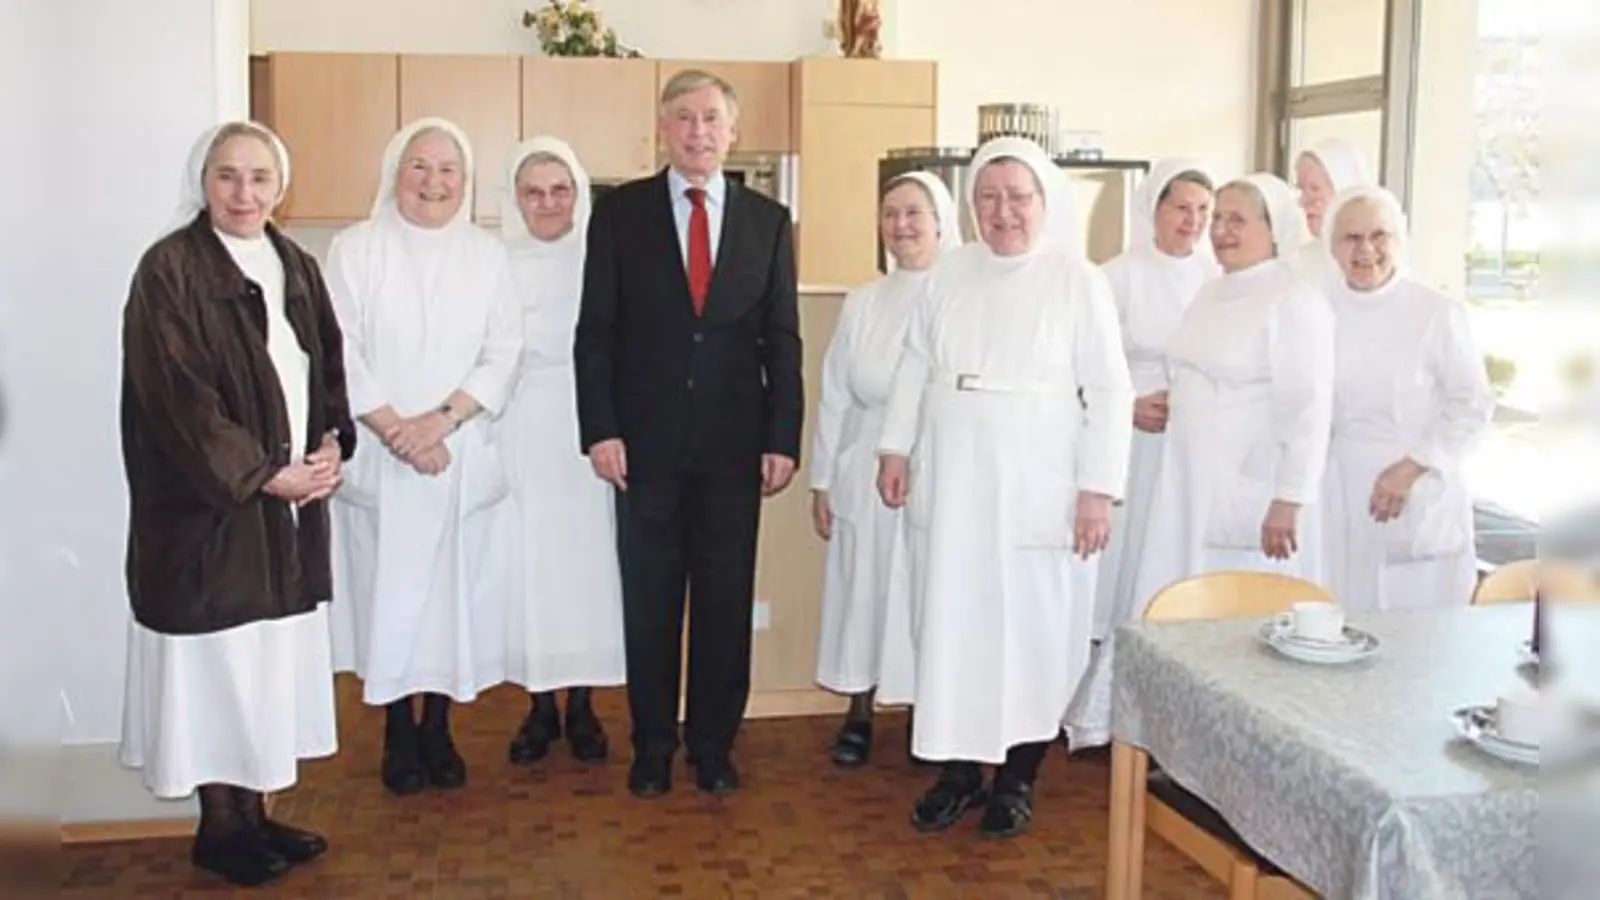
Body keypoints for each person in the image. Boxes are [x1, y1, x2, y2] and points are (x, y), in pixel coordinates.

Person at [875, 136, 1134, 837]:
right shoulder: (948, 273)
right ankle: (958, 773)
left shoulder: (1078, 279)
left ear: (1043, 201)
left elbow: (1110, 390)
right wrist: (894, 447)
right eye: (988, 197)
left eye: (1018, 196)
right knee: (951, 624)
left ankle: (1018, 777)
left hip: (1038, 480)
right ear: (970, 204)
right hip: (951, 479)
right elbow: (913, 367)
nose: (1003, 211)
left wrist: (1096, 490)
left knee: (1029, 633)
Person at [118, 120, 353, 886]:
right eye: (227, 176)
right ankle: (219, 827)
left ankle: (254, 813)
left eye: (258, 178)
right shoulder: (169, 271)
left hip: (284, 503)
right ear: (203, 182)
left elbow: (326, 369)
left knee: (264, 665)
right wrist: (260, 474)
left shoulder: (295, 265)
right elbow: (180, 404)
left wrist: (330, 443)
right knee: (218, 664)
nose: (243, 193)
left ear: (280, 186)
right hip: (208, 515)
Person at [573, 69, 803, 798]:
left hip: (736, 450)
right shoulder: (620, 215)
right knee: (650, 602)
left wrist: (783, 437)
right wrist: (600, 429)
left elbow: (783, 341)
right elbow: (596, 335)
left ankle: (713, 745)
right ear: (662, 130)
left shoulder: (768, 223)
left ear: (733, 131)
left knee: (726, 601)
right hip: (643, 449)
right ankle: (651, 746)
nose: (697, 131)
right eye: (683, 118)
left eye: (710, 118)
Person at [326, 117, 522, 796]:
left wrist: (440, 423)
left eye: (447, 170)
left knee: (450, 600)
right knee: (388, 597)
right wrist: (393, 430)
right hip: (385, 459)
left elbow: (504, 352)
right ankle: (395, 734)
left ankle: (438, 726)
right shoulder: (356, 249)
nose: (432, 182)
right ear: (394, 171)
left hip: (456, 452)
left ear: (465, 182)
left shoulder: (487, 255)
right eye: (418, 166)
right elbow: (339, 350)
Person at [1064, 158, 1217, 749]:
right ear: (1153, 209)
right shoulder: (1116, 276)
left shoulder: (1215, 279)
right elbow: (1086, 369)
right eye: (1182, 207)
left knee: (1169, 564)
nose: (1194, 221)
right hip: (1126, 443)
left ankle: (1159, 710)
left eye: (1204, 211)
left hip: (1187, 450)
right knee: (1116, 568)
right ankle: (1094, 703)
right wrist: (1129, 406)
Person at [810, 172, 959, 768]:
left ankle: (932, 707)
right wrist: (823, 478)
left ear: (941, 221)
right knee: (866, 585)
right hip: (867, 460)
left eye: (913, 213)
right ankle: (861, 707)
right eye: (890, 214)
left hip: (942, 458)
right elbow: (834, 395)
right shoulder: (863, 300)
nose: (901, 226)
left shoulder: (959, 295)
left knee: (928, 588)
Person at [1130, 173, 1336, 605]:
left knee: (1236, 606)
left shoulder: (1294, 299)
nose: (1220, 231)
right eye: (1218, 217)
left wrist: (1289, 497)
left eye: (1237, 220)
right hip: (1186, 475)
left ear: (1273, 228)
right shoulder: (1211, 291)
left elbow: (1308, 409)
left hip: (1249, 481)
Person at [499, 136, 625, 764]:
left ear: (579, 193)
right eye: (533, 192)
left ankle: (583, 706)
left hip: (589, 426)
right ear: (515, 199)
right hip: (520, 423)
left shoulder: (603, 256)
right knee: (533, 569)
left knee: (587, 568)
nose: (547, 203)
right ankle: (539, 706)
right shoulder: (495, 262)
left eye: (560, 189)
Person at [1320, 185, 1494, 611]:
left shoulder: (1434, 312)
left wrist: (1413, 465)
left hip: (1418, 482)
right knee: (1345, 618)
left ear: (1398, 240)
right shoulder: (1316, 308)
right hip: (1338, 488)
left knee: (1419, 631)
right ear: (1332, 246)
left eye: (1379, 235)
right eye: (1351, 237)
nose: (1365, 249)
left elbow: (1472, 405)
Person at [1293, 138, 1373, 280]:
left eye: (1314, 189)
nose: (1303, 201)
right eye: (1301, 189)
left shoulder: (1378, 262)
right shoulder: (1296, 264)